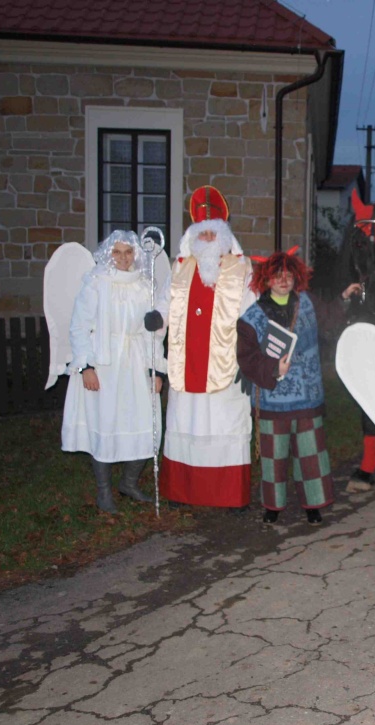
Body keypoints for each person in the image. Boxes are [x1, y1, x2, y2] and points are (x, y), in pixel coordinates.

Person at [146, 186, 256, 512]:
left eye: (213, 233)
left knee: (226, 424)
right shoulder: (180, 268)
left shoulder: (242, 269)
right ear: (193, 236)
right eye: (202, 233)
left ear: (224, 236)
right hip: (186, 362)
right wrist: (157, 317)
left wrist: (250, 360)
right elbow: (165, 302)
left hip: (227, 365)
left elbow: (253, 316)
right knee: (185, 422)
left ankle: (230, 495)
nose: (207, 238)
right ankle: (182, 492)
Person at [62, 230, 165, 514]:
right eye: (117, 252)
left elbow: (153, 333)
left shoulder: (145, 285)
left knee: (144, 420)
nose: (123, 258)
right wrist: (86, 366)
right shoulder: (96, 281)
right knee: (105, 421)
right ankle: (104, 492)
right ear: (108, 254)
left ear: (136, 254)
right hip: (104, 363)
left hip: (135, 361)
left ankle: (129, 483)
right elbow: (79, 326)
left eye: (128, 252)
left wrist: (156, 370)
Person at [237, 248, 335, 526]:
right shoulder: (251, 318)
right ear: (266, 280)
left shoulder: (309, 304)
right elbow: (246, 358)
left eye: (288, 275)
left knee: (310, 455)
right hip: (272, 400)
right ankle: (273, 506)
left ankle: (313, 505)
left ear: (296, 278)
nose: (283, 280)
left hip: (308, 398)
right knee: (274, 457)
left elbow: (332, 320)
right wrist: (272, 369)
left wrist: (346, 298)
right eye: (277, 275)